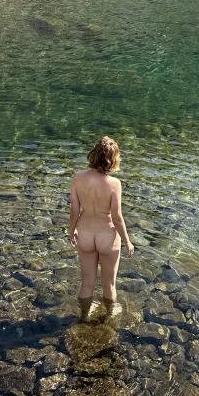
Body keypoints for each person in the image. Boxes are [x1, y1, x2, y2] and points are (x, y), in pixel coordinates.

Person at [69, 135, 134, 319]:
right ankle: (108, 318)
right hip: (107, 236)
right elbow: (117, 216)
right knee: (109, 285)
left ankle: (83, 315)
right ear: (113, 160)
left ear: (93, 155)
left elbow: (74, 211)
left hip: (86, 235)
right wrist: (127, 241)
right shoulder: (114, 184)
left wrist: (71, 229)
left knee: (87, 283)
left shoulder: (78, 178)